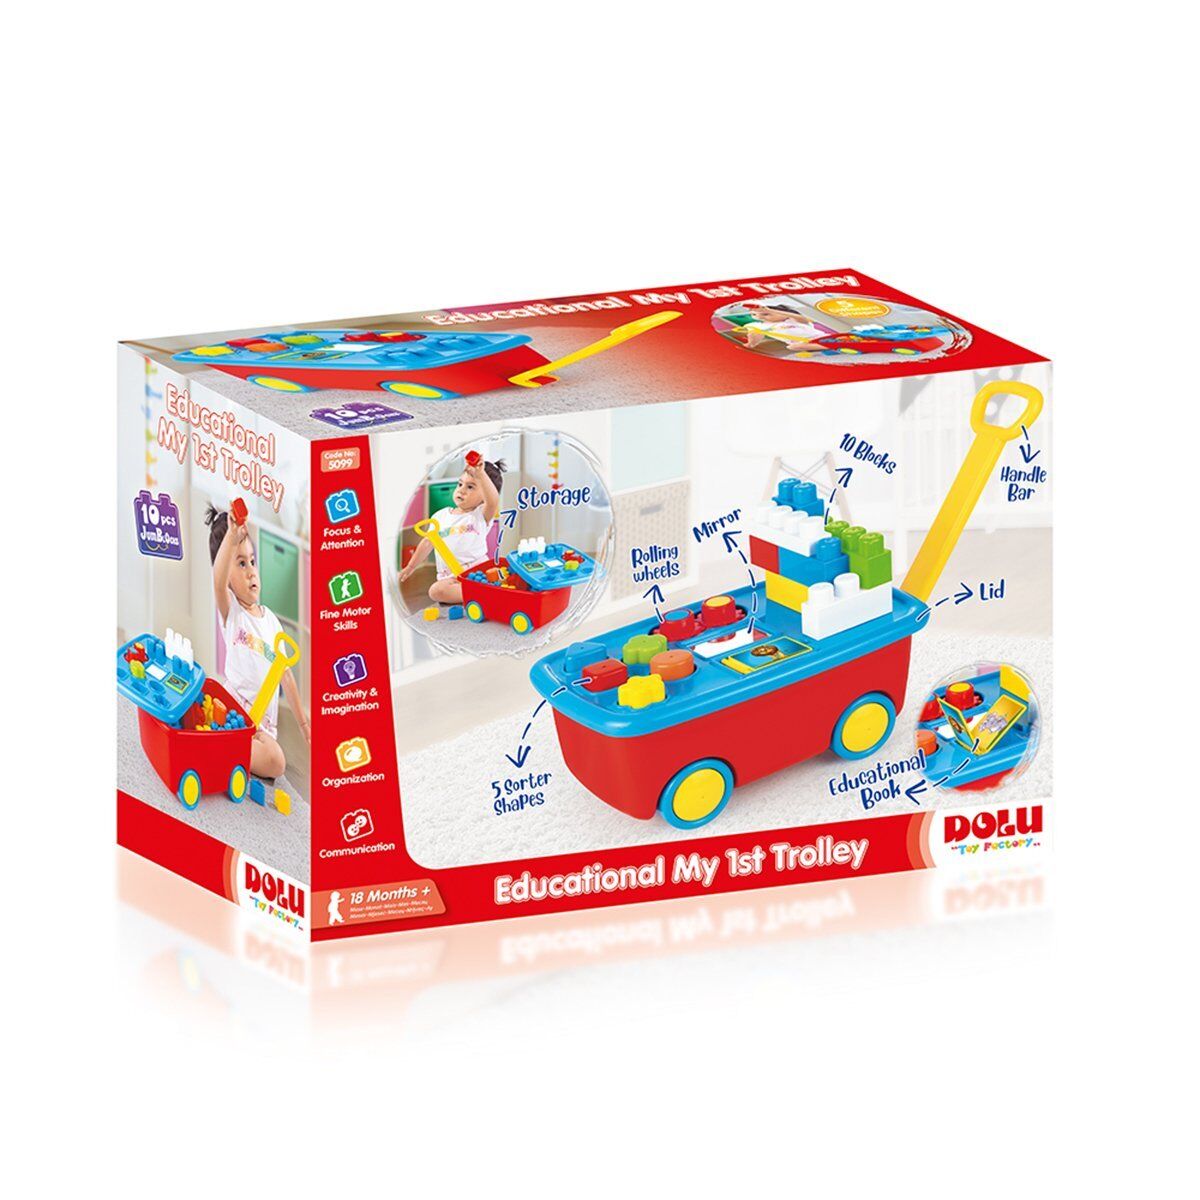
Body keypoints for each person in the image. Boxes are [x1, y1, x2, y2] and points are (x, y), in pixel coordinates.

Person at [205, 503, 310, 779]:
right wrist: (231, 536)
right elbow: (217, 582)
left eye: (252, 561)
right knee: (205, 700)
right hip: (232, 709)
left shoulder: (271, 622)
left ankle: (226, 747)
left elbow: (286, 674)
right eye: (241, 564)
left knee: (276, 762)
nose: (251, 571)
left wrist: (303, 724)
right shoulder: (232, 612)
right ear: (228, 577)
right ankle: (224, 742)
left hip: (260, 728)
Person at [401, 457, 506, 605]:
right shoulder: (440, 516)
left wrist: (481, 474)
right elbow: (427, 542)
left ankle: (482, 592)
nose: (461, 490)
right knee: (436, 591)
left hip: (477, 573)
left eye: (470, 487)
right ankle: (482, 594)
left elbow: (493, 500)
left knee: (499, 574)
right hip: (450, 578)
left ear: (485, 497)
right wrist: (411, 566)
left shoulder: (480, 515)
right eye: (460, 484)